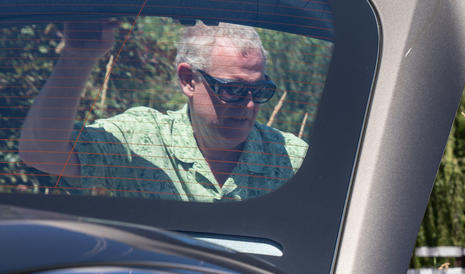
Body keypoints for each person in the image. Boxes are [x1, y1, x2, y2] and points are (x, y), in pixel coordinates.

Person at [18, 20, 307, 201]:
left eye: (260, 91)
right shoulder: (142, 138)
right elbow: (41, 153)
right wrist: (77, 58)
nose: (250, 105)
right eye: (232, 89)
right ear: (188, 80)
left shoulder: (292, 159)